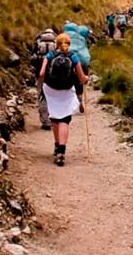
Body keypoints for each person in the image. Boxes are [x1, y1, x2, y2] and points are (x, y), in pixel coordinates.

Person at [39, 33, 88, 166]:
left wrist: (42, 87)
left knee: (55, 117)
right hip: (66, 90)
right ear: (69, 44)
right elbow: (82, 78)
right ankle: (61, 152)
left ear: (57, 43)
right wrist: (86, 79)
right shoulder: (73, 56)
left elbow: (42, 73)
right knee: (64, 119)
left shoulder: (50, 55)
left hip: (51, 89)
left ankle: (56, 146)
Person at [62, 21, 94, 112]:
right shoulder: (81, 38)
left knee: (68, 81)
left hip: (68, 61)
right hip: (82, 61)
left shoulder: (64, 37)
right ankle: (79, 100)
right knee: (80, 82)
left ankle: (67, 103)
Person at [29, 28, 56, 130]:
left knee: (42, 95)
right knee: (52, 95)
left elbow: (32, 57)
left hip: (40, 73)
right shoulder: (56, 40)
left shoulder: (38, 40)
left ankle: (45, 120)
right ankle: (53, 118)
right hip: (53, 73)